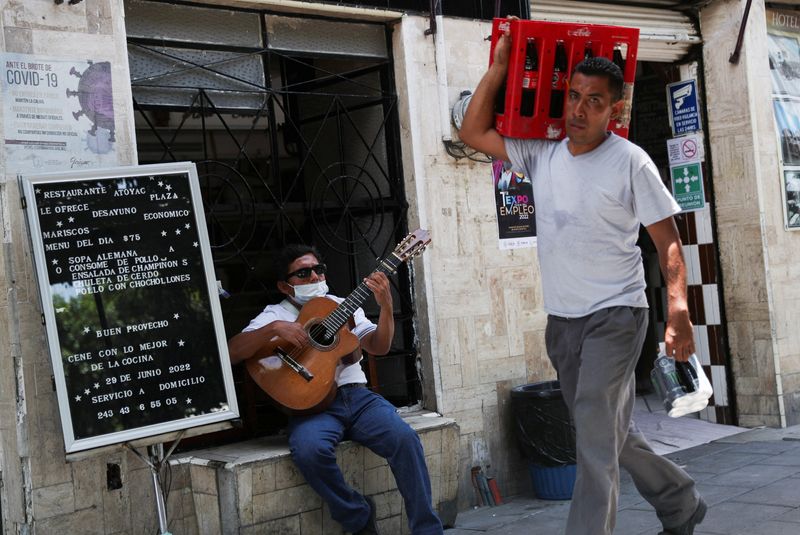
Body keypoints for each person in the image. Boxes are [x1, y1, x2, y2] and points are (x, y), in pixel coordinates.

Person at [458, 25, 706, 535]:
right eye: (573, 96)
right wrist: (500, 66)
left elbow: (669, 243)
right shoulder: (541, 153)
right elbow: (472, 133)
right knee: (607, 432)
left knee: (593, 440)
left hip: (616, 315)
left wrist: (678, 310)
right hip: (563, 321)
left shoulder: (630, 162)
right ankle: (679, 500)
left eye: (594, 101)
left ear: (613, 111)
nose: (578, 109)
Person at [227, 244, 444, 535]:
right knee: (309, 451)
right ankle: (357, 516)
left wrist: (387, 308)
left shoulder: (344, 306)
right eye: (303, 273)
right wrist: (273, 329)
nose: (315, 277)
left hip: (358, 398)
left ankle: (427, 530)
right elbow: (232, 352)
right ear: (284, 285)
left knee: (405, 439)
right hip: (313, 408)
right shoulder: (273, 314)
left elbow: (378, 346)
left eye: (319, 269)